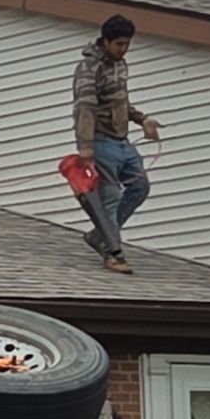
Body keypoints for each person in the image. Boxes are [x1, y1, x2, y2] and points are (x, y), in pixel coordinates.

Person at [72, 14, 163, 273]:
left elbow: (120, 101)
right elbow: (85, 109)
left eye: (127, 44)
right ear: (106, 41)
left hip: (122, 141)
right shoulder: (89, 68)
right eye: (119, 44)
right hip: (100, 142)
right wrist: (85, 147)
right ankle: (113, 254)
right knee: (109, 198)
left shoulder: (120, 65)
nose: (124, 49)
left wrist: (142, 119)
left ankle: (99, 235)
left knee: (140, 187)